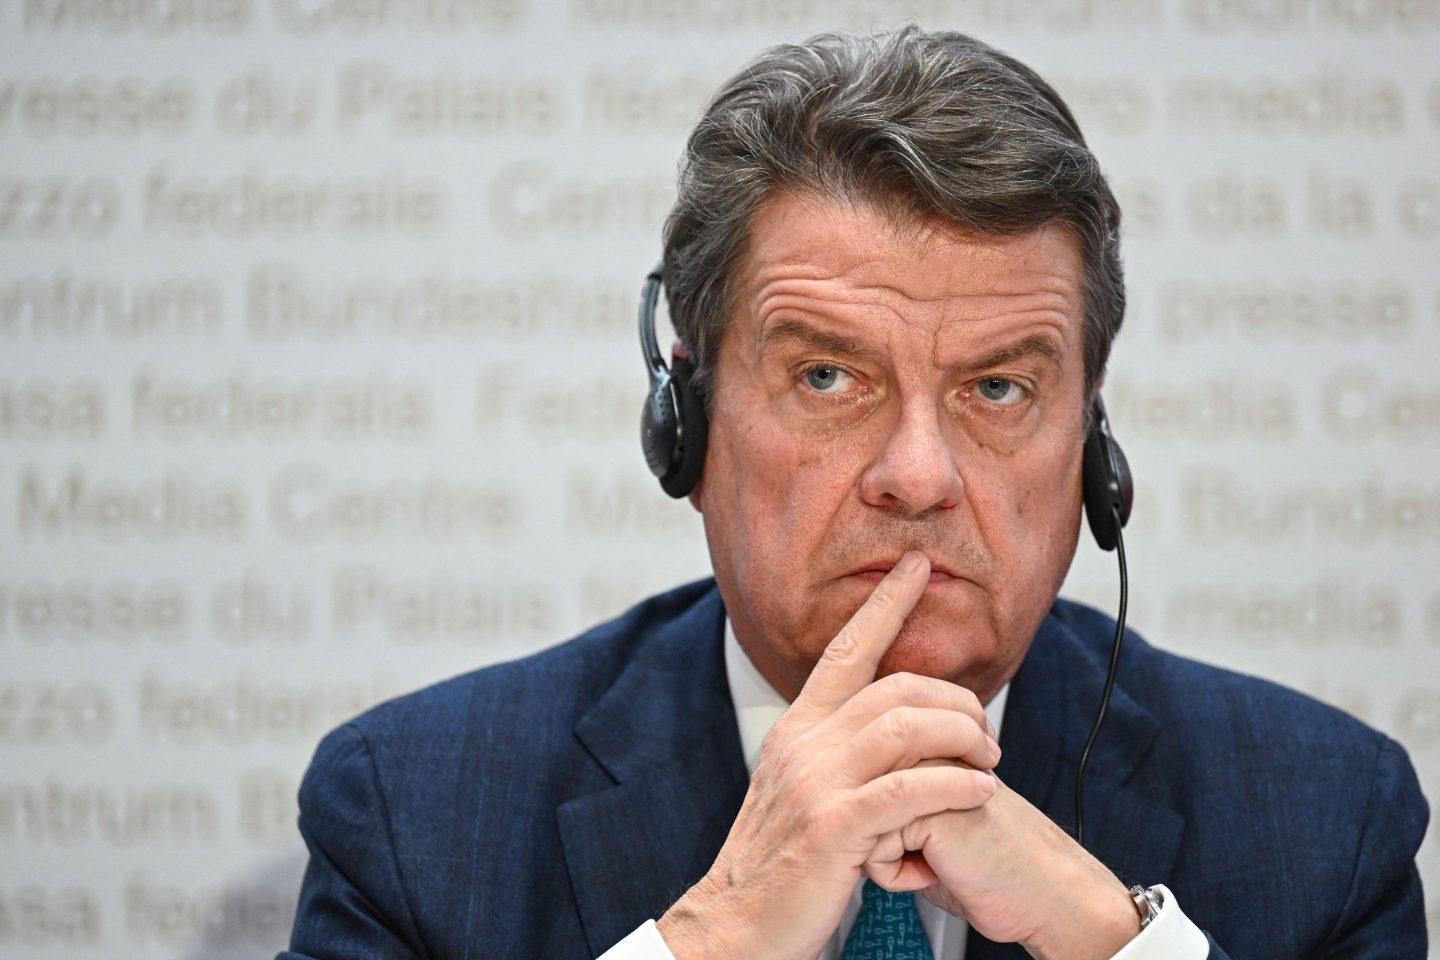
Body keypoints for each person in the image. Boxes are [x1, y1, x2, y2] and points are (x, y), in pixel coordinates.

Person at [278, 26, 1429, 960]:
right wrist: (711, 943)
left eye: (998, 388)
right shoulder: (416, 817)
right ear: (685, 429)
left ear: (1093, 448)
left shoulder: (1324, 821)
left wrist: (1113, 945)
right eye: (828, 377)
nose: (918, 477)